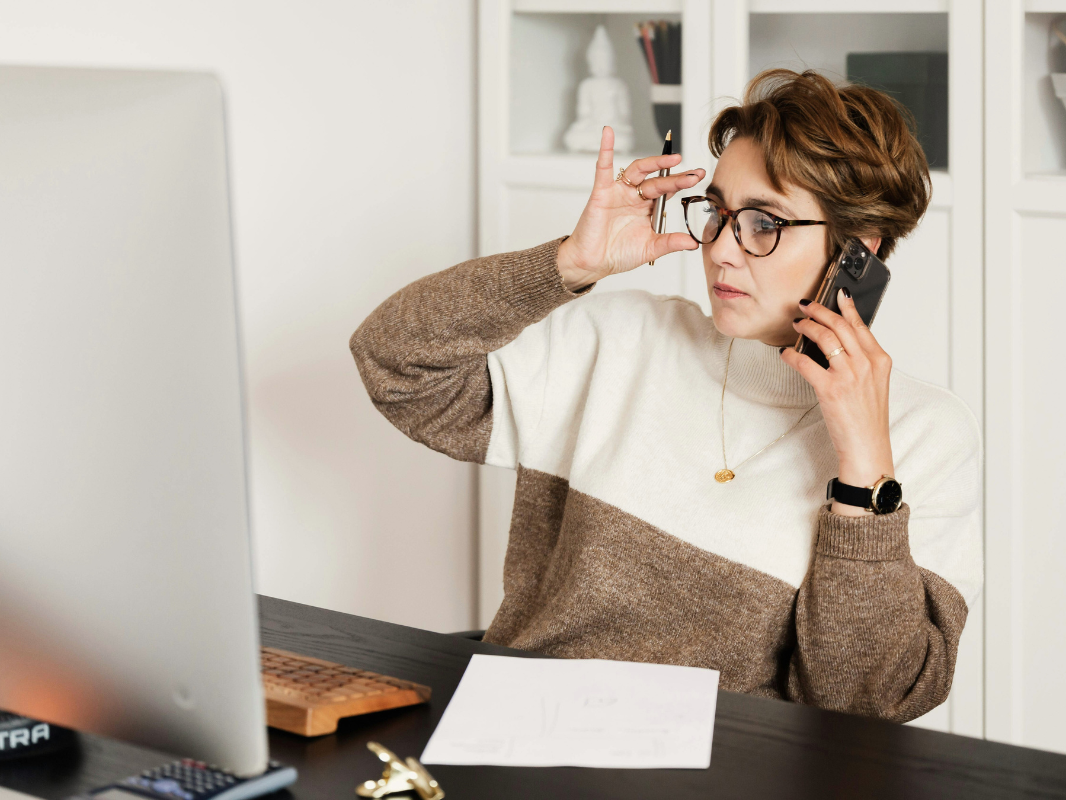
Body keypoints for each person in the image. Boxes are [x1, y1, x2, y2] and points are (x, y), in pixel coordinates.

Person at [350, 69, 981, 723]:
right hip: (520, 748)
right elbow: (394, 364)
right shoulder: (621, 339)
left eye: (763, 223)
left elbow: (864, 702)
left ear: (859, 251)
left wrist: (862, 477)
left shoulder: (924, 435)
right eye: (718, 213)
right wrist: (566, 266)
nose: (722, 251)